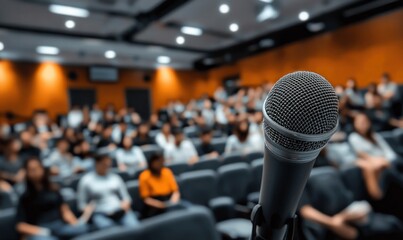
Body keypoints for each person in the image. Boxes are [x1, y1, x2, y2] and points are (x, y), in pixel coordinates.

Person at [16, 157, 89, 240]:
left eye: (37, 168)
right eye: (31, 169)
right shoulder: (25, 198)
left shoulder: (54, 189)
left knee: (83, 229)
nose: (35, 171)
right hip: (40, 230)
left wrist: (75, 224)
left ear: (42, 169)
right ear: (27, 173)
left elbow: (65, 211)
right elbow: (20, 226)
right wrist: (43, 232)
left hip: (59, 226)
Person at [77, 154, 139, 229]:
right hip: (100, 214)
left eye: (108, 165)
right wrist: (88, 209)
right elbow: (81, 204)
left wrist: (126, 203)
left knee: (135, 227)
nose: (107, 167)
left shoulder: (115, 177)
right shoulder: (86, 180)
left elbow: (126, 197)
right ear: (97, 163)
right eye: (104, 164)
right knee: (111, 231)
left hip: (120, 211)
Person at [348, 113, 398, 199]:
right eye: (359, 122)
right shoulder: (354, 137)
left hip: (388, 162)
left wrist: (386, 160)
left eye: (364, 121)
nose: (362, 124)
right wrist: (381, 161)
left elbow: (390, 153)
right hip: (378, 165)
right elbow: (363, 155)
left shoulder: (375, 136)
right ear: (354, 124)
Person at [139, 154, 186, 218]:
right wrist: (161, 205)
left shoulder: (167, 172)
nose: (159, 164)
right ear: (151, 163)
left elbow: (175, 191)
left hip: (169, 199)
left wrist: (172, 202)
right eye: (156, 162)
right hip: (154, 203)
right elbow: (146, 199)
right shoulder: (144, 176)